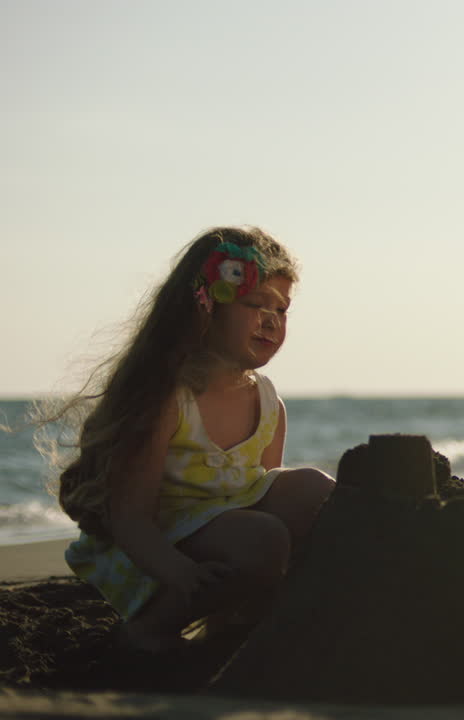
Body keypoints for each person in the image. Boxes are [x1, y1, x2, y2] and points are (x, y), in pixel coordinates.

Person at [52, 226, 335, 653]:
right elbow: (130, 519)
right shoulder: (169, 397)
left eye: (282, 308)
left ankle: (242, 622)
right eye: (255, 303)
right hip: (156, 550)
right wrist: (179, 572)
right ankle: (149, 629)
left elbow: (264, 487)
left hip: (234, 537)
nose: (271, 319)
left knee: (315, 489)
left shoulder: (267, 401)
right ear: (205, 305)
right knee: (262, 538)